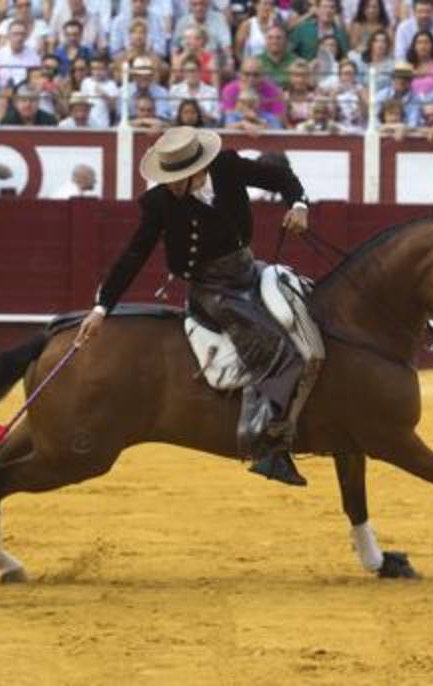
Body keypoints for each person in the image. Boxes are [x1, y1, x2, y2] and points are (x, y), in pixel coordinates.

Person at [75, 127, 313, 487]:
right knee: (271, 348)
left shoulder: (227, 166)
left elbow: (278, 176)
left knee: (306, 310)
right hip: (211, 288)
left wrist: (298, 204)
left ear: (195, 170)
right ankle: (268, 446)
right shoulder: (158, 203)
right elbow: (134, 254)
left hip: (248, 270)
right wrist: (101, 307)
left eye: (175, 179)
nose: (168, 185)